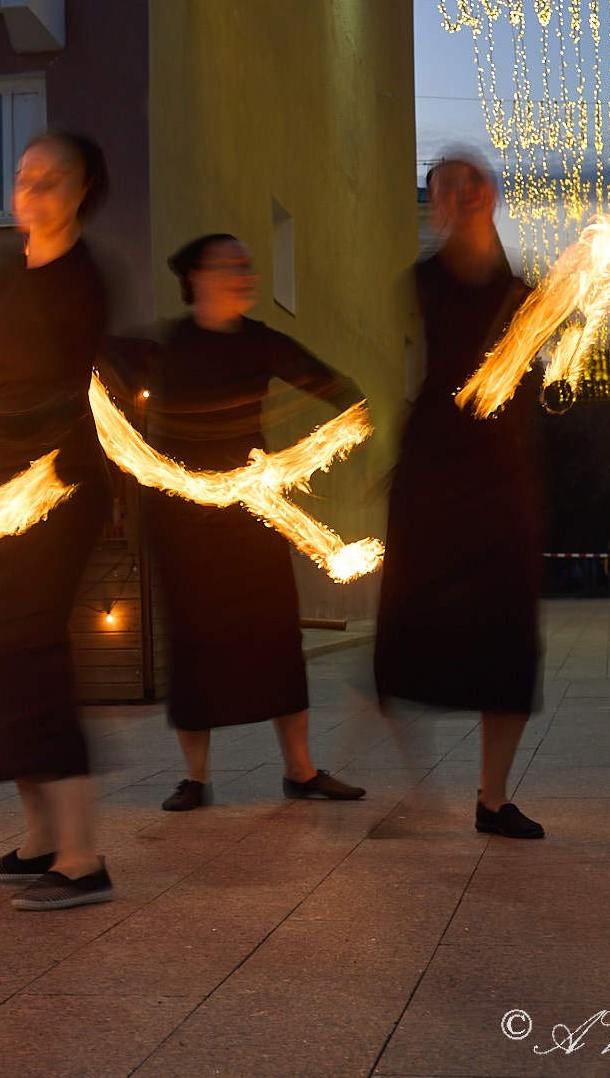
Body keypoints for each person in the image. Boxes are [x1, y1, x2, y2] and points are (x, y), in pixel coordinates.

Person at [144, 233, 366, 813]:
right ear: (194, 275)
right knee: (193, 643)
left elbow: (337, 388)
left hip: (250, 515)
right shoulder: (166, 345)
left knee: (275, 637)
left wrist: (347, 427)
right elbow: (98, 380)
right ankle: (195, 778)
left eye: (247, 264)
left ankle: (301, 771)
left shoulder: (261, 342)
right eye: (228, 264)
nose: (244, 273)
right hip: (184, 522)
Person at [374, 152, 546, 840]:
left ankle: (492, 798)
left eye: (473, 182)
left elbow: (535, 381)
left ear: (493, 194)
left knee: (507, 637)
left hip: (500, 477)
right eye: (447, 187)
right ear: (436, 205)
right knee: (406, 634)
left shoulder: (525, 293)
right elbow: (419, 375)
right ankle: (416, 791)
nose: (462, 193)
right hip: (433, 473)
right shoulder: (419, 283)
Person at [0, 127, 115, 911]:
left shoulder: (82, 281)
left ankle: (84, 854)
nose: (33, 190)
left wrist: (19, 465)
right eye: (24, 176)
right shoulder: (8, 275)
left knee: (30, 642)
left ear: (82, 188)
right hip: (7, 487)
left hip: (58, 483)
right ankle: (39, 837)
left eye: (51, 178)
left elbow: (67, 397)